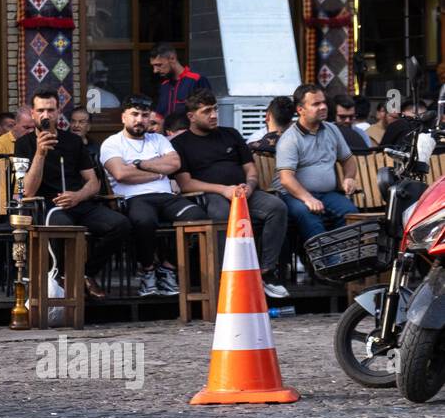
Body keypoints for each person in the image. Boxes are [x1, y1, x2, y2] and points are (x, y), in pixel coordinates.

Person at [172, 90, 289, 298]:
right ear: (191, 116)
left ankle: (266, 272)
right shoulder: (181, 143)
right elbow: (185, 183)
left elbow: (251, 169)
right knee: (223, 214)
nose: (214, 115)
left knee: (276, 207)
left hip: (244, 192)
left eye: (215, 109)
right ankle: (228, 276)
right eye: (207, 111)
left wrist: (250, 186)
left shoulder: (231, 134)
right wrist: (223, 190)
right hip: (209, 194)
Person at [18, 88, 129, 299]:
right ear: (32, 113)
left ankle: (85, 273)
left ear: (58, 112)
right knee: (63, 224)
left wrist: (77, 196)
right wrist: (40, 154)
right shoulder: (23, 145)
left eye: (50, 110)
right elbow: (27, 190)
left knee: (120, 224)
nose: (46, 115)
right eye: (41, 110)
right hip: (47, 205)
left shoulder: (73, 141)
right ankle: (61, 277)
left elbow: (93, 182)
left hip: (79, 202)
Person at [100, 94, 208, 297]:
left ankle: (167, 268)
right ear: (123, 117)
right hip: (133, 199)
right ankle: (147, 271)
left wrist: (140, 164)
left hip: (166, 197)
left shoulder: (158, 139)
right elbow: (121, 174)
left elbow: (174, 164)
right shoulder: (112, 143)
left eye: (144, 115)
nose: (139, 120)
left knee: (198, 218)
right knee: (144, 221)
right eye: (134, 114)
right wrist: (159, 171)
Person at [275, 83, 358, 242]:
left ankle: (343, 260)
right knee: (310, 218)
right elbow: (286, 179)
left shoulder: (332, 129)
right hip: (295, 196)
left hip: (327, 194)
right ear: (300, 110)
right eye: (316, 104)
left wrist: (349, 177)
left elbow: (348, 160)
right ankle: (324, 264)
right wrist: (308, 198)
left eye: (324, 102)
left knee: (350, 214)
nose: (323, 107)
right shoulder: (290, 139)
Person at [151, 42, 212, 120]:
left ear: (172, 58)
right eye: (153, 66)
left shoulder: (196, 80)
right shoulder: (164, 86)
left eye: (159, 65)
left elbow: (208, 114)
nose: (155, 70)